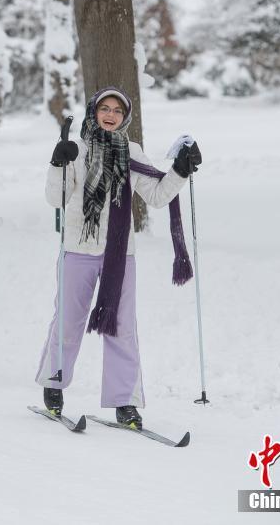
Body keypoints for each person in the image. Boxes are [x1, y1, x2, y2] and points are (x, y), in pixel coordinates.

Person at [35, 86, 202, 429]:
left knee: (123, 328)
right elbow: (56, 198)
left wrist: (180, 171)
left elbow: (156, 196)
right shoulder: (77, 150)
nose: (110, 115)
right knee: (67, 322)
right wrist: (57, 162)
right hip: (78, 251)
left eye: (117, 110)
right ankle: (53, 384)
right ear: (94, 111)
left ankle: (124, 402)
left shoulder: (132, 151)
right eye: (104, 109)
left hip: (119, 254)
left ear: (125, 117)